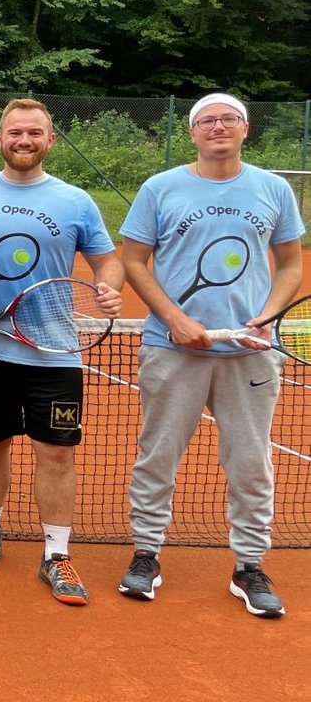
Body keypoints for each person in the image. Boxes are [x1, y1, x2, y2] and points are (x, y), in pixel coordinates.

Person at [118, 93, 302, 618]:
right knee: (157, 456)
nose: (217, 127)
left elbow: (289, 264)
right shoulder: (161, 187)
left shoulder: (273, 189)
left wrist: (265, 316)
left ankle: (249, 566)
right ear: (193, 132)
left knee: (250, 463)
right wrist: (175, 319)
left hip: (251, 352)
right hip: (171, 349)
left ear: (245, 129)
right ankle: (146, 555)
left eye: (228, 120)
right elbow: (134, 260)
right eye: (207, 121)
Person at [0, 98, 122, 606]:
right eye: (15, 132)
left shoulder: (77, 201)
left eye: (34, 133)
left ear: (49, 141)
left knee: (56, 453)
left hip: (54, 350)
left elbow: (108, 262)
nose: (24, 140)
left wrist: (108, 288)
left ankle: (56, 554)